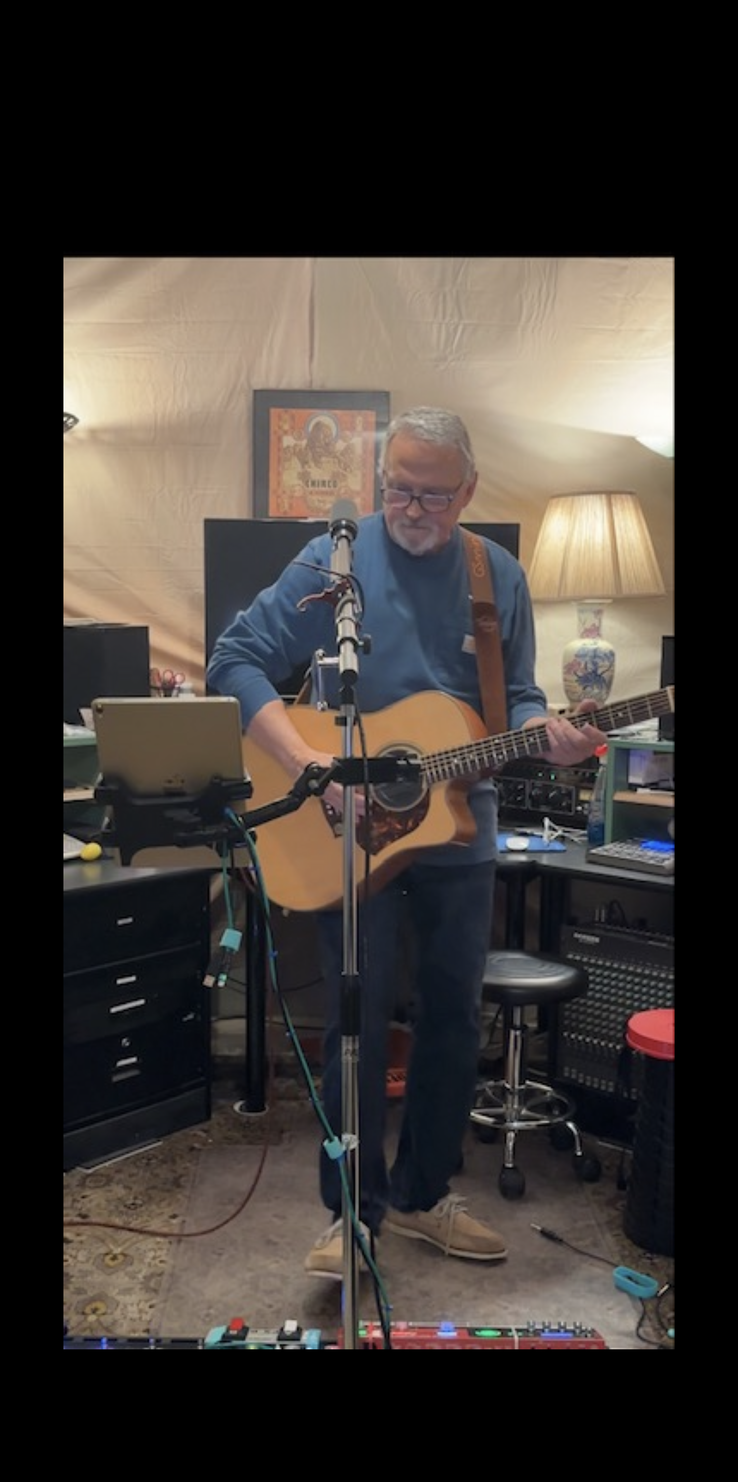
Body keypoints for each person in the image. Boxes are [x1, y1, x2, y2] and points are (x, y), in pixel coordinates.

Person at [207, 406, 603, 1278]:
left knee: (452, 1019)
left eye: (433, 495)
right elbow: (233, 660)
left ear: (469, 491)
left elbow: (517, 700)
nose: (413, 510)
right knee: (355, 1018)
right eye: (398, 491)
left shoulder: (496, 575)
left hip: (460, 830)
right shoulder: (334, 562)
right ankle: (351, 1213)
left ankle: (425, 1197)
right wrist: (309, 763)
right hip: (347, 827)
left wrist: (551, 735)